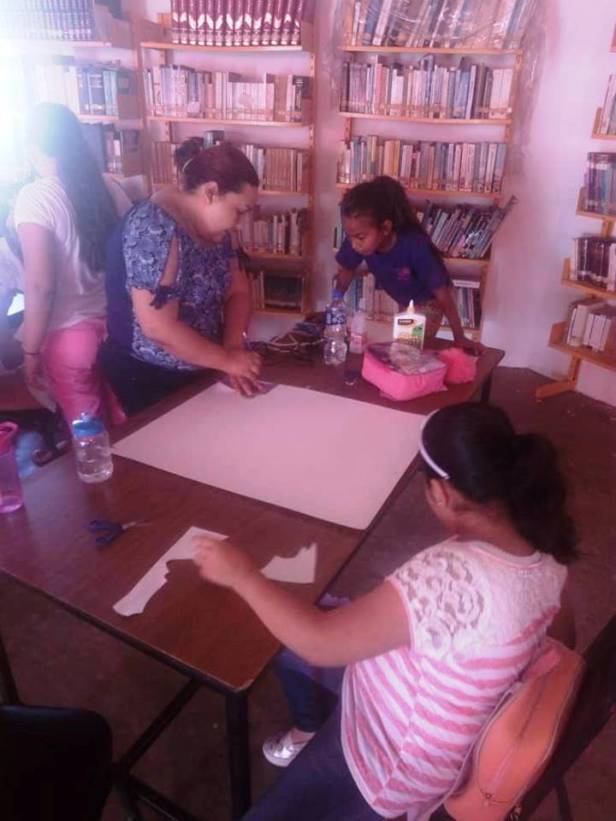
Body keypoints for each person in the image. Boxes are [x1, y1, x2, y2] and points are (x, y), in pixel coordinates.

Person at [193, 402, 577, 820]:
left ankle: (321, 739)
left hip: (387, 759)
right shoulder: (543, 549)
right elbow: (557, 628)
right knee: (292, 627)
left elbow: (320, 644)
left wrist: (242, 575)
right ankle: (310, 726)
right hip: (428, 726)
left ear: (441, 492)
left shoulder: (452, 577)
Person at [100, 139, 263, 416]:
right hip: (149, 376)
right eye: (239, 211)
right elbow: (158, 327)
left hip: (204, 364)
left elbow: (238, 291)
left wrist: (233, 349)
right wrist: (227, 360)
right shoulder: (154, 228)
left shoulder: (221, 231)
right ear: (210, 192)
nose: (240, 223)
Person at [13, 103, 130, 426]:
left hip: (70, 339)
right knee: (129, 424)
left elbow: (40, 287)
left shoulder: (35, 198)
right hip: (118, 328)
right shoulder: (109, 187)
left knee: (89, 433)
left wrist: (30, 351)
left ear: (32, 146)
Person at [335, 176, 479, 350]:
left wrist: (459, 337)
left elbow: (442, 293)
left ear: (385, 228)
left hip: (430, 302)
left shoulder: (415, 246)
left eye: (359, 237)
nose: (353, 244)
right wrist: (335, 302)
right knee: (400, 347)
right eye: (350, 236)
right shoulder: (359, 239)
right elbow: (347, 269)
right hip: (406, 301)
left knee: (406, 349)